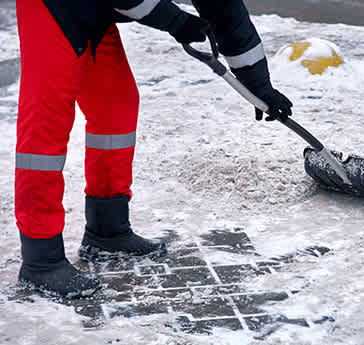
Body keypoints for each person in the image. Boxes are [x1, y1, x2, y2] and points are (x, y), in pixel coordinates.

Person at [16, 0, 293, 298]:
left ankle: (107, 229)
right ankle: (41, 258)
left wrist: (261, 88)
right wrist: (176, 22)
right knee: (47, 121)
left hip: (93, 9)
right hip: (50, 6)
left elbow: (229, 18)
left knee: (116, 107)